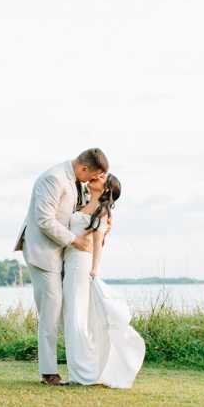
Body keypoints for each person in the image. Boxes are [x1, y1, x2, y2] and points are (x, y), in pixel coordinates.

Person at [14, 148, 109, 385]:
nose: (91, 182)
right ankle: (49, 372)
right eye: (92, 177)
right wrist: (75, 240)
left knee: (67, 308)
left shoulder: (77, 180)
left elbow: (79, 211)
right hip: (43, 252)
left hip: (63, 255)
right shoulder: (53, 178)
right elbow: (44, 220)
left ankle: (81, 364)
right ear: (84, 168)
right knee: (51, 308)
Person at [62, 173, 145, 388]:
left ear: (106, 188)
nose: (96, 176)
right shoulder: (81, 204)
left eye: (102, 176)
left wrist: (94, 270)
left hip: (82, 263)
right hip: (69, 261)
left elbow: (98, 243)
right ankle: (81, 370)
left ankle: (83, 374)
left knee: (77, 315)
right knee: (72, 315)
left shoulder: (103, 212)